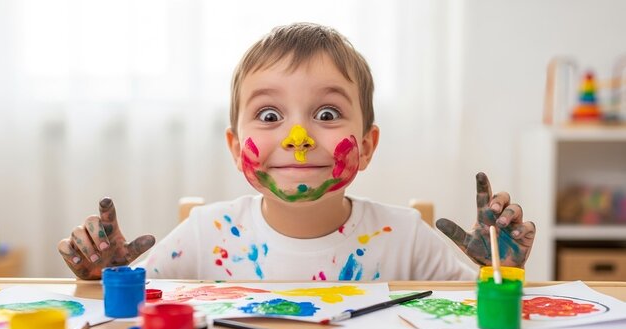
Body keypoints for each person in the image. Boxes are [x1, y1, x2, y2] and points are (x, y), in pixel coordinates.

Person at [57, 22, 536, 281]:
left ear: (367, 146)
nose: (298, 138)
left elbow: (480, 311)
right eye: (269, 117)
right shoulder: (207, 234)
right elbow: (125, 309)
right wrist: (103, 278)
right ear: (233, 146)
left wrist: (498, 270)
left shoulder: (405, 237)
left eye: (327, 115)